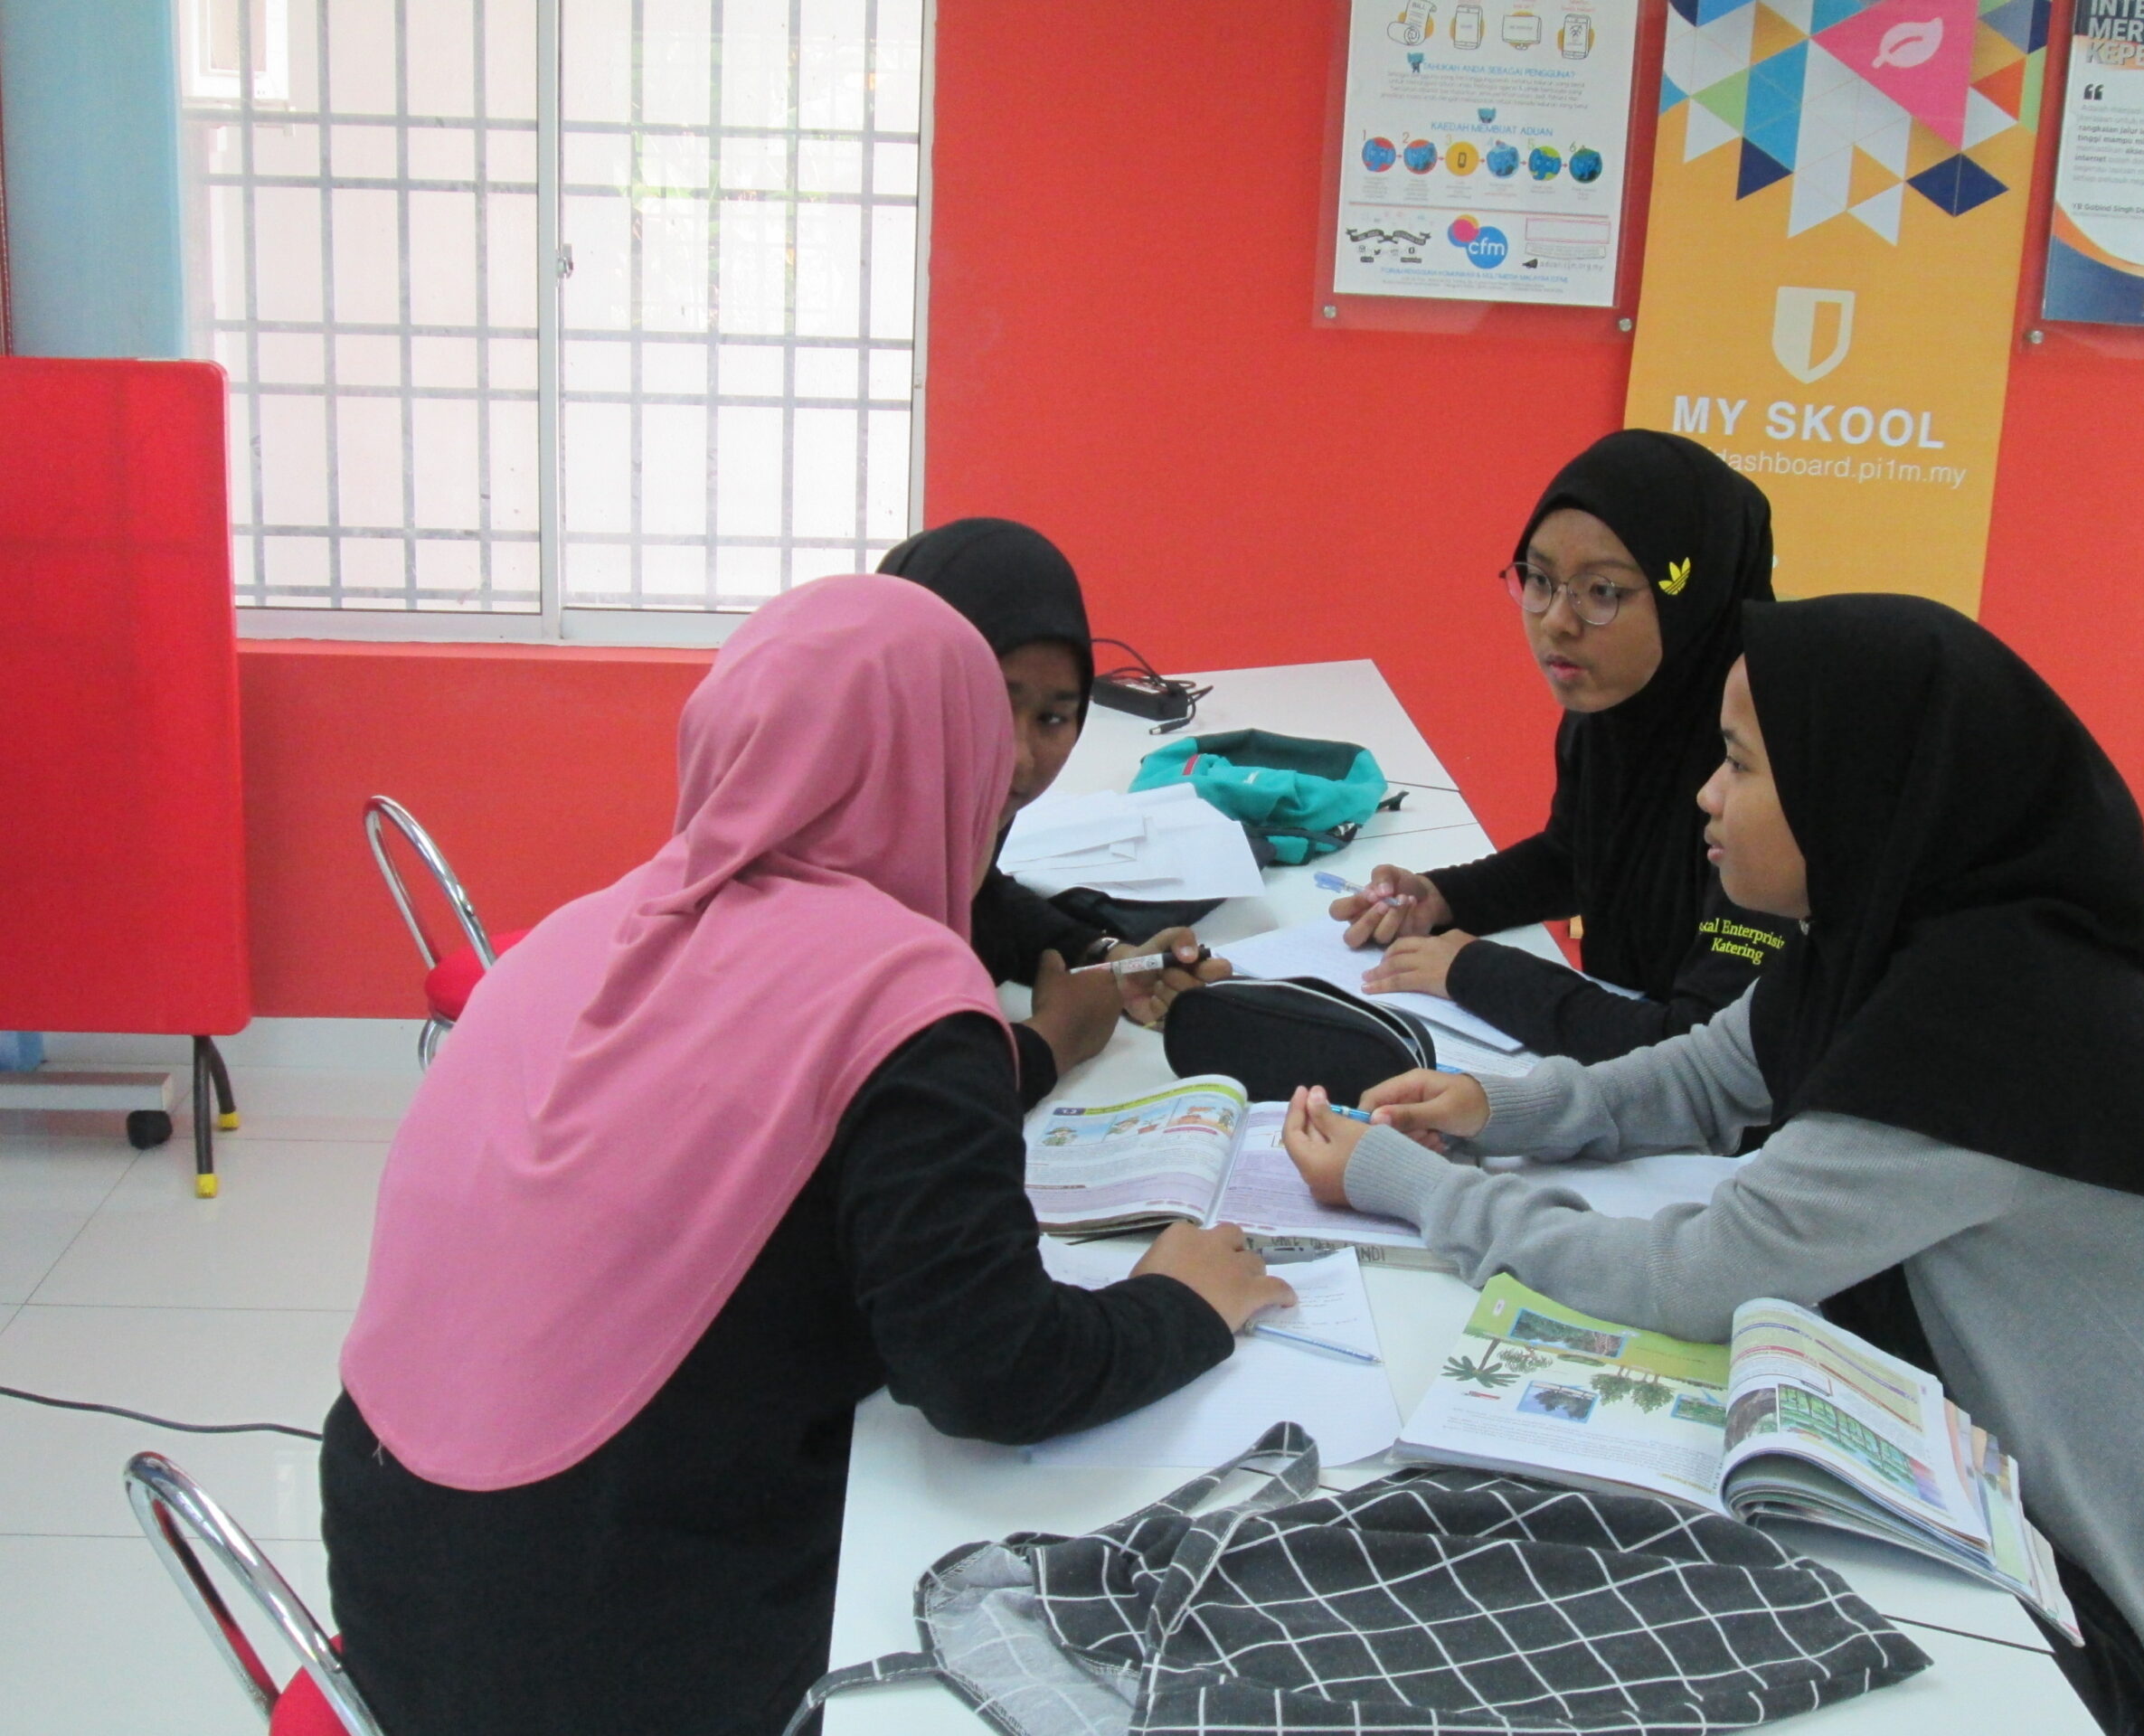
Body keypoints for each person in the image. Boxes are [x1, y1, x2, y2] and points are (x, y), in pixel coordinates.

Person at [1282, 594, 2144, 1736]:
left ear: (1853, 788)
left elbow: (1685, 1278)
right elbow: (1704, 1075)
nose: (1705, 795)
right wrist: (1494, 1107)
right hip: (1997, 1480)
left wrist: (1408, 1184)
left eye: (1739, 764)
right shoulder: (1903, 937)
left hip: (2118, 1624)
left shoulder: (1988, 1025)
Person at [320, 576, 1291, 1736]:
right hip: (609, 1661)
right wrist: (1181, 1304)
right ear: (954, 764)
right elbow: (991, 1374)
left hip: (394, 1607)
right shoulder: (906, 992)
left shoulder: (583, 929)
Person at [1332, 431, 1798, 1063]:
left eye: (1602, 591)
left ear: (1691, 597)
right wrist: (1443, 897)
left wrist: (1480, 972)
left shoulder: (1773, 763)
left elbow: (1700, 1054)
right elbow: (1575, 856)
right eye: (1540, 580)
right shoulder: (1615, 705)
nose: (1557, 620)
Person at [880, 518, 1228, 1104]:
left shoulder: (937, 828)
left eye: (1052, 718)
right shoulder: (810, 847)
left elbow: (978, 903)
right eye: (988, 705)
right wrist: (1052, 1043)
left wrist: (1103, 957)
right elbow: (869, 1096)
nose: (1018, 758)